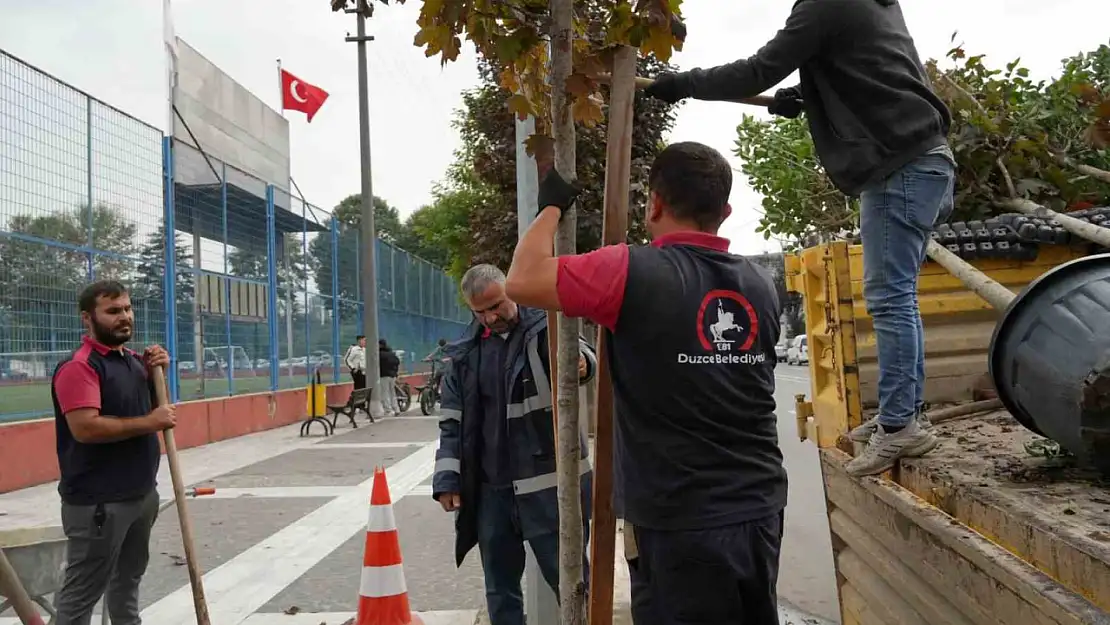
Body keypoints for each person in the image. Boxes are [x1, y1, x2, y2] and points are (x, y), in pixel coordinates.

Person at [639, 0, 954, 477]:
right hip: (913, 160)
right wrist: (806, 96)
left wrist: (683, 84)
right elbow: (868, 74)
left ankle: (901, 424)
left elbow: (756, 70)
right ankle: (900, 414)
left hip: (901, 167)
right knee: (893, 296)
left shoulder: (826, 3)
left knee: (890, 298)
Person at [504, 143, 787, 625]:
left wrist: (550, 204)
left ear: (654, 203)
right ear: (725, 212)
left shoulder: (629, 271)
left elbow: (522, 280)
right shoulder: (761, 283)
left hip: (679, 521)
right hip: (759, 505)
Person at [432, 264, 597, 625]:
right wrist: (448, 480)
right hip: (492, 493)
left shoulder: (546, 327)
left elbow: (579, 352)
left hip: (551, 486)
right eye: (481, 311)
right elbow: (451, 423)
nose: (492, 316)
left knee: (572, 584)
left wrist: (582, 364)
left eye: (498, 305)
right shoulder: (464, 354)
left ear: (511, 292)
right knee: (500, 589)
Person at [50, 280, 176, 625]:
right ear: (87, 318)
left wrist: (157, 377)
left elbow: (156, 410)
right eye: (113, 311)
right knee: (80, 596)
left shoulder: (135, 363)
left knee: (127, 583)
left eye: (127, 308)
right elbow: (86, 428)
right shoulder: (80, 367)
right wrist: (151, 421)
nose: (124, 317)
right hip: (99, 504)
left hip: (140, 494)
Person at [376, 338, 401, 417]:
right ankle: (396, 409)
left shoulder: (379, 354)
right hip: (392, 375)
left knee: (385, 393)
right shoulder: (391, 353)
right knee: (392, 392)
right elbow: (397, 362)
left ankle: (388, 410)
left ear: (379, 345)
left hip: (383, 375)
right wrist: (395, 372)